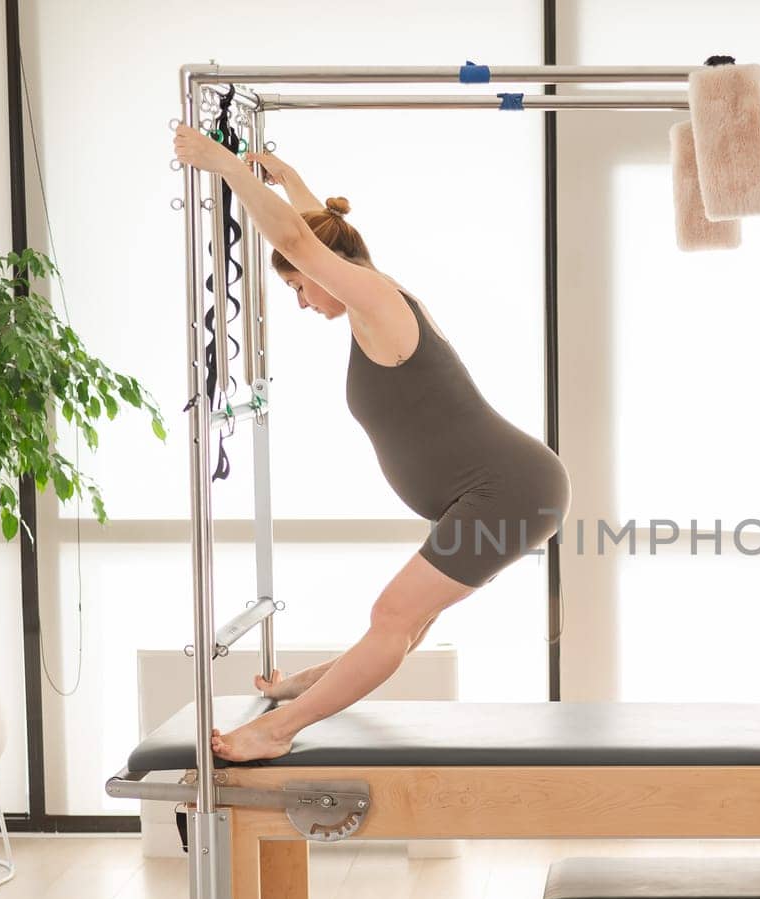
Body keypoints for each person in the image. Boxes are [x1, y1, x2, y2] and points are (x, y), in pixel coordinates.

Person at [171, 128, 570, 763]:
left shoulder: (377, 300)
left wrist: (220, 162)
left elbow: (301, 239)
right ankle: (318, 684)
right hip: (505, 491)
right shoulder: (372, 293)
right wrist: (288, 176)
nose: (301, 301)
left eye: (299, 287)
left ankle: (279, 729)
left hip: (509, 492)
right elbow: (321, 232)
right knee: (404, 622)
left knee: (392, 615)